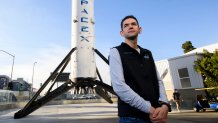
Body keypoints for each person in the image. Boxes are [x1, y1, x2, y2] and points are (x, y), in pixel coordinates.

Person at [109, 15, 171, 123]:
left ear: (140, 29)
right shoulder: (116, 52)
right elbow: (119, 86)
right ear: (122, 33)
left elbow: (158, 81)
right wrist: (149, 109)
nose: (130, 26)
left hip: (156, 115)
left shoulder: (147, 53)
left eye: (133, 24)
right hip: (132, 117)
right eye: (126, 25)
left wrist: (165, 105)